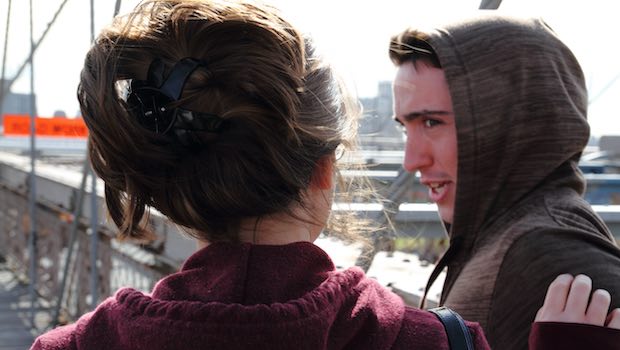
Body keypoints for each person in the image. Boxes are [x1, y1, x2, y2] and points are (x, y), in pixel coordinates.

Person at [29, 2, 619, 349]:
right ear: (324, 168)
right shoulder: (431, 341)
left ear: (161, 180)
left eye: (433, 121)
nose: (412, 160)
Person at [390, 13, 620, 350]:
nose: (412, 160)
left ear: (514, 123)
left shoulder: (556, 255)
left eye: (431, 122)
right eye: (404, 126)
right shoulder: (503, 236)